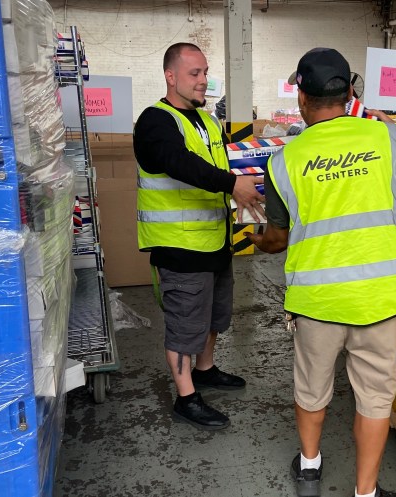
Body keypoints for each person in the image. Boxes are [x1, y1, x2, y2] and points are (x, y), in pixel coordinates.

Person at [246, 47, 396, 497]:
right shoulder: (387, 139)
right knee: (374, 397)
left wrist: (257, 242)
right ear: (351, 93)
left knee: (312, 386)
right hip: (382, 296)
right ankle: (364, 492)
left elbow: (279, 235)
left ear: (302, 100)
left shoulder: (283, 160)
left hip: (318, 300)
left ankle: (309, 467)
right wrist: (390, 123)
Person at [133, 42, 265, 431]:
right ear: (170, 76)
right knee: (184, 324)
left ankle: (205, 370)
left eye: (206, 72)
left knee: (213, 315)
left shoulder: (206, 122)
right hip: (179, 247)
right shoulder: (156, 122)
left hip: (213, 239)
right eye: (195, 73)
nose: (204, 80)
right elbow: (179, 163)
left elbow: (229, 165)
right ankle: (186, 397)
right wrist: (232, 184)